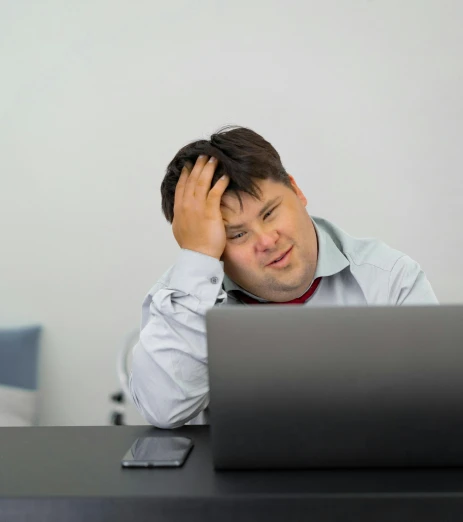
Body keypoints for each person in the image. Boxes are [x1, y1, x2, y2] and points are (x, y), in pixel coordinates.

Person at [129, 126, 439, 429]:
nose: (266, 241)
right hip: (234, 479)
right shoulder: (183, 298)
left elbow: (436, 405)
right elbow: (163, 410)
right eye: (236, 234)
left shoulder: (390, 278)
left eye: (269, 213)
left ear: (296, 189)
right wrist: (197, 259)